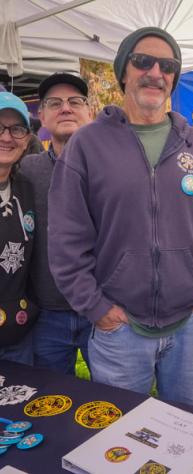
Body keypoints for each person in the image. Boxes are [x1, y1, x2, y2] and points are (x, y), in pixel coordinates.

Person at [47, 27, 193, 407]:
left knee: (183, 433)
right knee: (115, 440)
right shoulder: (87, 145)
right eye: (142, 61)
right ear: (122, 73)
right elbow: (65, 239)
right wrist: (98, 309)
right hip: (120, 328)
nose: (155, 72)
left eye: (167, 66)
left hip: (190, 325)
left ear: (174, 79)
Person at [20, 73, 92, 375]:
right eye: (55, 103)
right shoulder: (25, 170)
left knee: (117, 406)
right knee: (51, 405)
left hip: (101, 312)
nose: (66, 108)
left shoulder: (113, 168)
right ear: (42, 115)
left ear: (89, 112)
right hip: (46, 315)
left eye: (75, 101)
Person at [0, 92, 38, 364]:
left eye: (17, 128)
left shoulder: (26, 189)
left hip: (17, 337)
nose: (6, 137)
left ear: (26, 141)